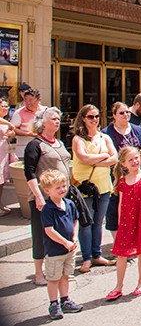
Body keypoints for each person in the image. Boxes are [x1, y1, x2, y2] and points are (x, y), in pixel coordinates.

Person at [24, 107, 71, 286]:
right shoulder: (35, 145)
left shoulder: (58, 142)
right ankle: (38, 273)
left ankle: (60, 270)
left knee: (62, 232)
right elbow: (29, 172)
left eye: (59, 118)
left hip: (62, 196)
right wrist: (38, 195)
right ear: (42, 122)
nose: (57, 121)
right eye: (53, 119)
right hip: (43, 198)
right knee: (40, 234)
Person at [70, 104, 118, 273]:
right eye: (91, 117)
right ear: (83, 118)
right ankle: (86, 258)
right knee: (86, 222)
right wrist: (104, 157)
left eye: (97, 116)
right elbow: (83, 158)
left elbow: (115, 158)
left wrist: (97, 160)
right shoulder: (78, 139)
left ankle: (97, 255)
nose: (94, 120)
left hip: (104, 186)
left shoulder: (104, 137)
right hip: (85, 187)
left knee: (98, 222)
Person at [107, 146, 141, 300]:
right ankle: (118, 286)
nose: (135, 161)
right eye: (131, 159)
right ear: (123, 164)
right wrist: (121, 222)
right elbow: (121, 203)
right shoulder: (122, 182)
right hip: (126, 223)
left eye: (136, 158)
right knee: (121, 255)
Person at [39, 169, 83, 320]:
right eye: (57, 187)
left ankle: (65, 300)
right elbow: (49, 230)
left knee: (65, 275)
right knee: (53, 278)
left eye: (64, 186)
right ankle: (53, 303)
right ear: (47, 190)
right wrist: (65, 242)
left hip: (70, 249)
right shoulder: (47, 209)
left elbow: (75, 220)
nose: (62, 189)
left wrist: (75, 237)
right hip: (55, 250)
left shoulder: (69, 204)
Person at [0, 97, 16, 216]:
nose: (6, 108)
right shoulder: (4, 121)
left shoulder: (6, 120)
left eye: (7, 106)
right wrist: (9, 124)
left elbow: (12, 133)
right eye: (3, 106)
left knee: (2, 180)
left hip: (4, 152)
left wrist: (11, 132)